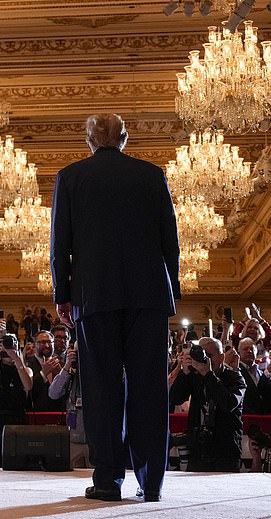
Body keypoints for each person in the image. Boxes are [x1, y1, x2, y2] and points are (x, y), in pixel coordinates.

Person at [50, 113, 181, 502]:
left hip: (95, 296)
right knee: (149, 390)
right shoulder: (152, 175)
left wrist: (62, 294)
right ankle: (152, 482)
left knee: (102, 390)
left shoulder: (70, 177)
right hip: (149, 296)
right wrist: (169, 290)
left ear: (88, 139)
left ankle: (107, 480)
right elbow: (169, 240)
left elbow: (61, 243)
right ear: (124, 139)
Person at [169, 337, 245, 472]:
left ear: (222, 357)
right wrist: (184, 373)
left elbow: (229, 403)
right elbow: (176, 399)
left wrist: (208, 375)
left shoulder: (235, 378)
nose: (206, 360)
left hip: (225, 451)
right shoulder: (194, 376)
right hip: (198, 449)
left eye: (209, 356)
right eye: (202, 355)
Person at [0, 331, 33, 467]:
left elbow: (28, 386)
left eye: (12, 344)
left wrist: (17, 359)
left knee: (18, 462)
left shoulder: (26, 369)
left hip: (18, 419)